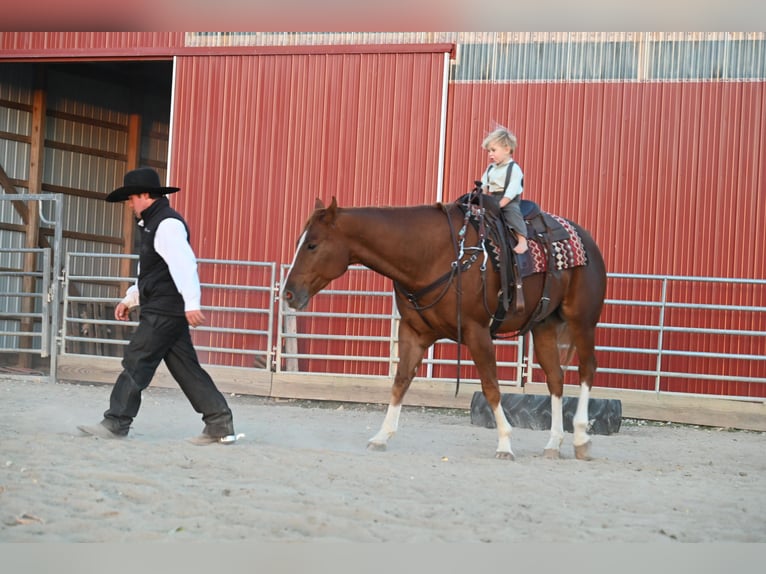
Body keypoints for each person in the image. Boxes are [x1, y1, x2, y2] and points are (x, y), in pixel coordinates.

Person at [78, 167, 239, 445]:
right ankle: (219, 423)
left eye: (131, 198)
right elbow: (151, 271)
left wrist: (192, 303)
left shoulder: (167, 224)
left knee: (137, 360)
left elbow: (184, 264)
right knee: (186, 370)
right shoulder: (153, 225)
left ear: (144, 195)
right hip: (166, 308)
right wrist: (131, 298)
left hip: (165, 310)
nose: (129, 204)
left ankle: (116, 422)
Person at [480, 126, 528, 254]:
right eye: (489, 151)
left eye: (493, 150)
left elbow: (511, 191)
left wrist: (500, 204)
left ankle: (522, 239)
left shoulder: (514, 169)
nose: (490, 154)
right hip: (492, 198)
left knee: (512, 213)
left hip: (508, 200)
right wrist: (482, 197)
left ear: (506, 149)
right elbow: (484, 183)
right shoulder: (491, 168)